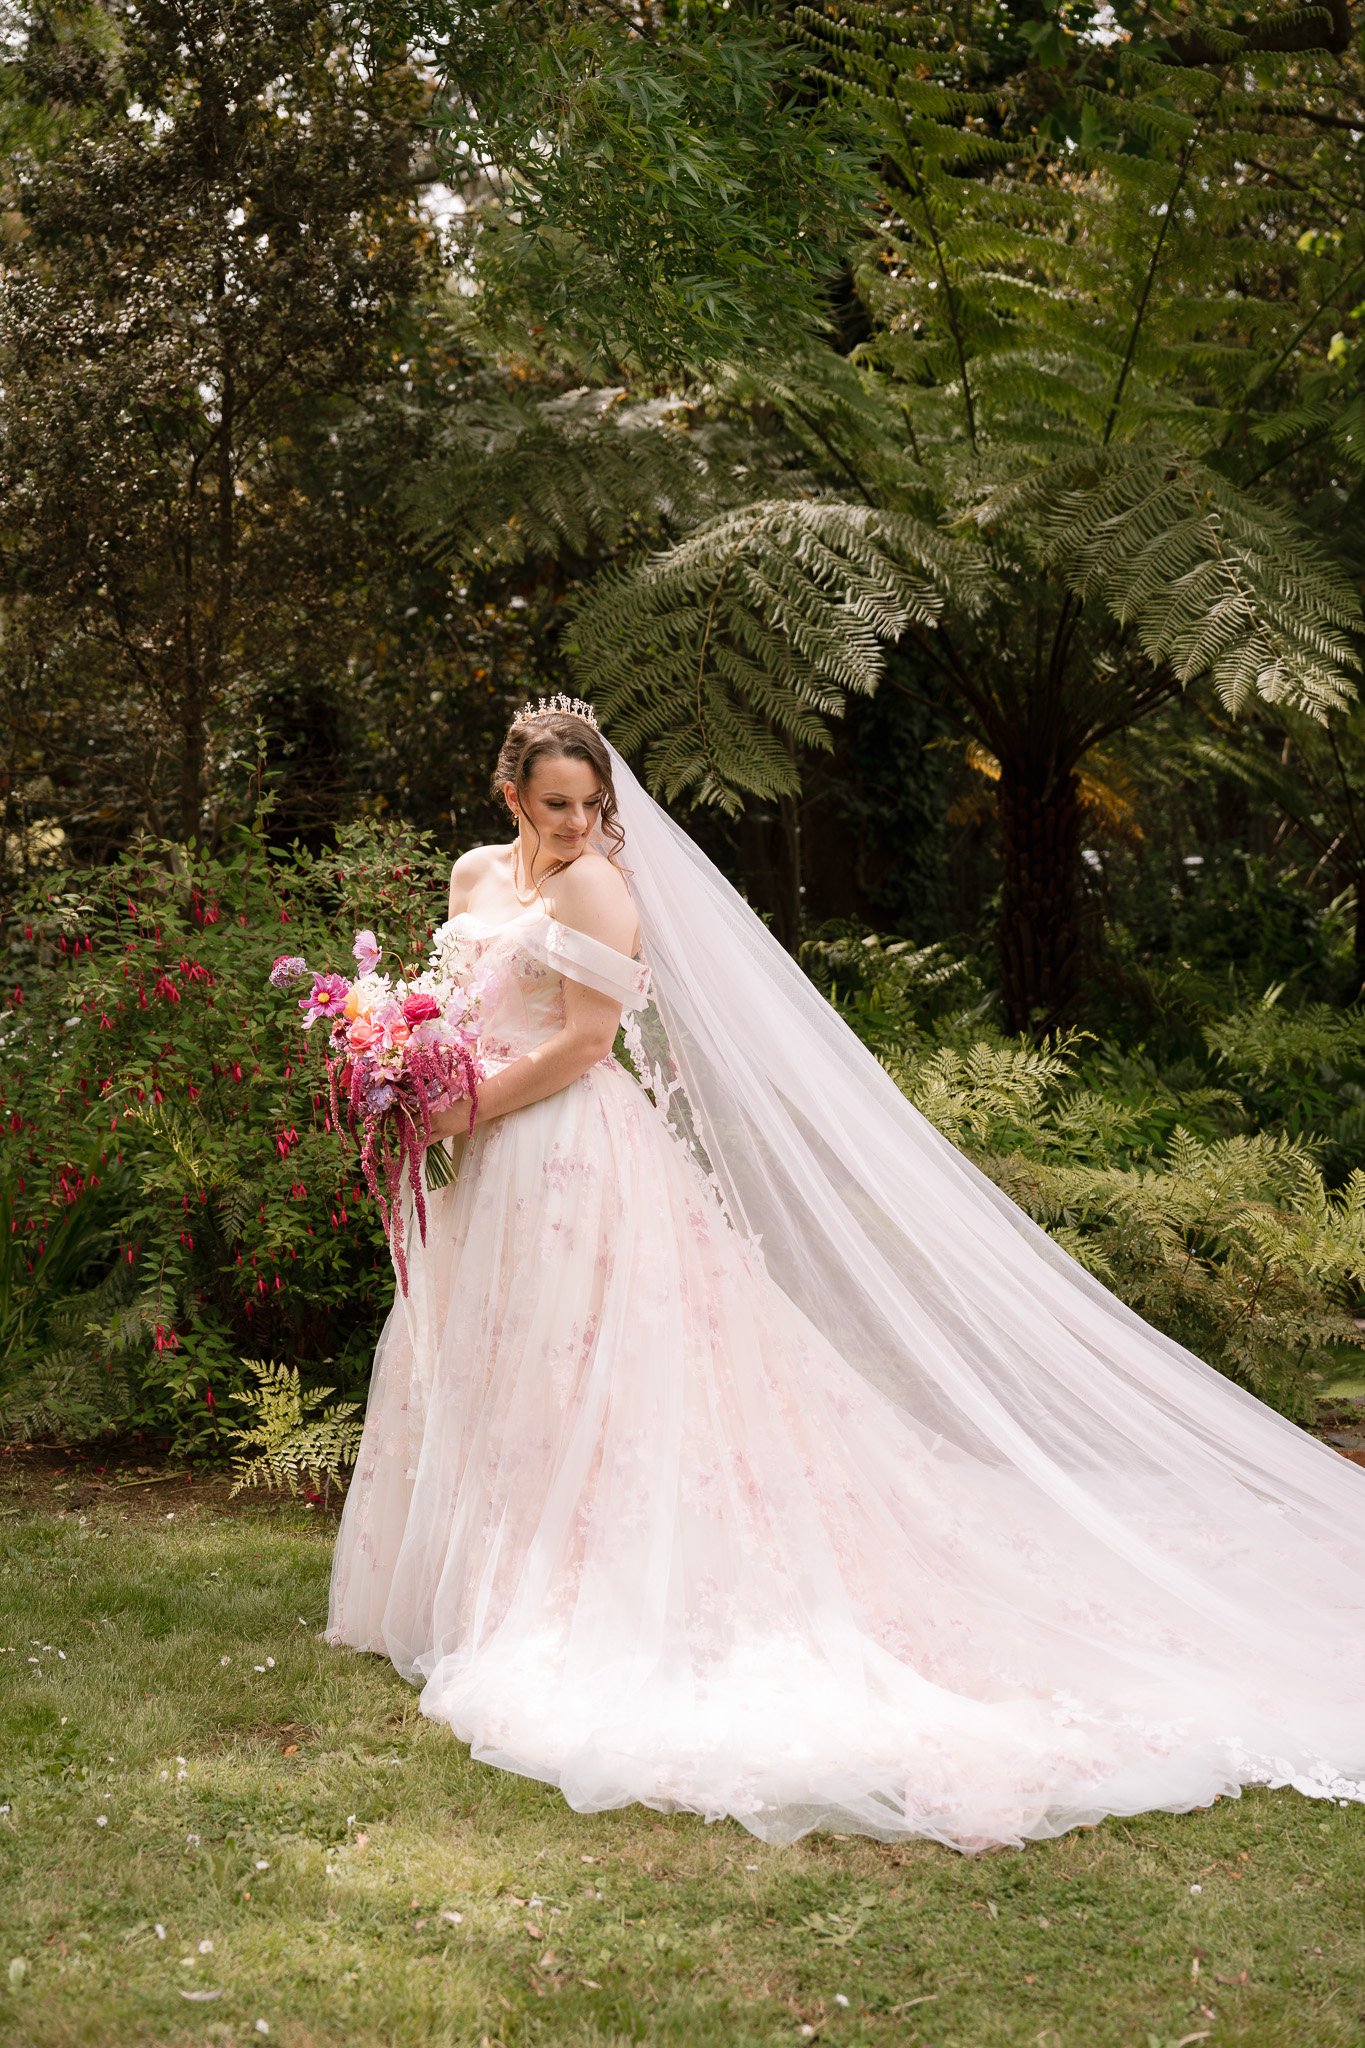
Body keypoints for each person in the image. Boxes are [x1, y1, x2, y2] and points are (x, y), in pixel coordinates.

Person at [325, 697, 1365, 1854]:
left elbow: (581, 1045)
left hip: (568, 1152)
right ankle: (474, 1585)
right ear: (510, 794)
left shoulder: (599, 890)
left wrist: (458, 1102)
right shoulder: (475, 876)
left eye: (591, 805)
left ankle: (581, 1591)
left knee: (588, 1384)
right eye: (554, 804)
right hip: (482, 1166)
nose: (575, 824)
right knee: (495, 1368)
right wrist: (404, 1065)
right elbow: (458, 1005)